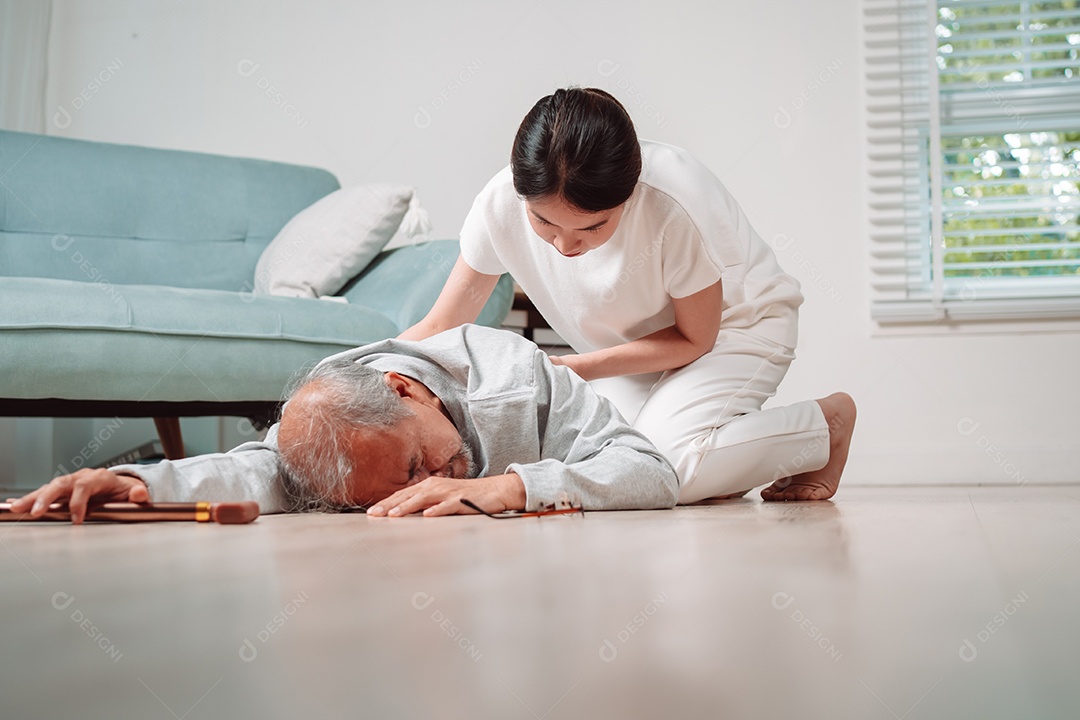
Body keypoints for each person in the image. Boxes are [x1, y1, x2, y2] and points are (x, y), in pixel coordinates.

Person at [399, 87, 856, 503]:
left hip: (735, 329)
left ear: (629, 195)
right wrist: (348, 374)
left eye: (592, 226)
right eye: (544, 223)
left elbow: (695, 339)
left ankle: (825, 427)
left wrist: (565, 367)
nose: (564, 245)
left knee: (661, 470)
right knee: (602, 462)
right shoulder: (500, 203)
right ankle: (723, 467)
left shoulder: (674, 201)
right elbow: (441, 326)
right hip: (629, 349)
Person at [10, 325, 679, 524]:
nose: (423, 489)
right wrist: (128, 480)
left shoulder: (519, 377)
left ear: (408, 390)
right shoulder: (328, 426)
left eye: (417, 467)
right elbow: (253, 468)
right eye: (389, 493)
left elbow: (652, 472)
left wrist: (508, 488)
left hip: (643, 379)